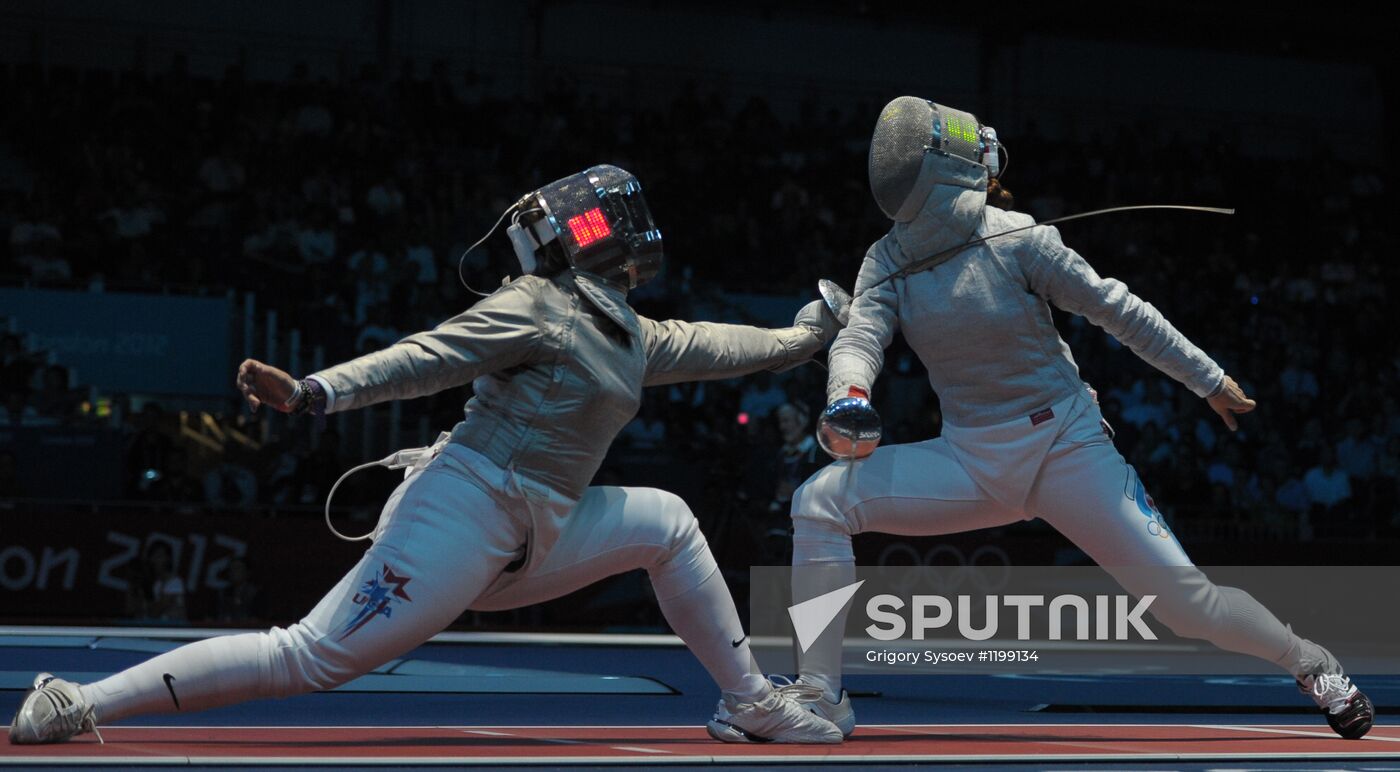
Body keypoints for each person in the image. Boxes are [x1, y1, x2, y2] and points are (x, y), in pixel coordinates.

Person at [9, 165, 844, 746]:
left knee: (669, 521)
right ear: (571, 241)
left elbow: (726, 344)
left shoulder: (630, 335)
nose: (616, 230)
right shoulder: (535, 305)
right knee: (308, 658)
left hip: (543, 530)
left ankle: (750, 702)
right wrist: (311, 392)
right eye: (599, 221)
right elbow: (424, 356)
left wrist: (812, 333)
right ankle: (79, 697)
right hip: (466, 511)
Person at [787, 97, 1373, 740]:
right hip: (971, 461)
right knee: (820, 502)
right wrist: (849, 392)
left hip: (1066, 448)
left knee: (1188, 605)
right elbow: (861, 337)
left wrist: (1208, 380)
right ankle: (820, 693)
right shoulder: (887, 260)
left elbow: (1119, 310)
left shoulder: (1022, 239)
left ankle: (1311, 663)